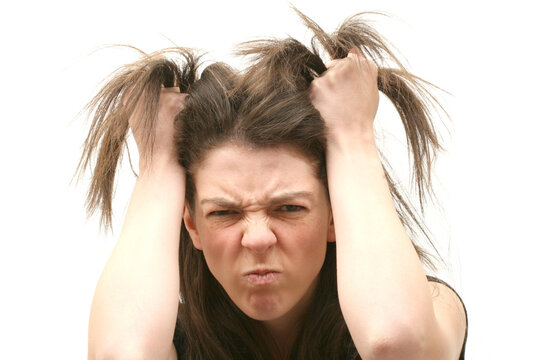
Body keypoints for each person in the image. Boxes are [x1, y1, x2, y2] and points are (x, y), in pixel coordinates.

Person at [78, 9, 468, 360]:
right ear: (191, 224)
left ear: (336, 215)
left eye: (289, 208)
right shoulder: (170, 341)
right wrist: (157, 164)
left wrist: (352, 137)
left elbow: (396, 344)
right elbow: (121, 354)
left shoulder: (430, 305)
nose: (258, 239)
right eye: (224, 213)